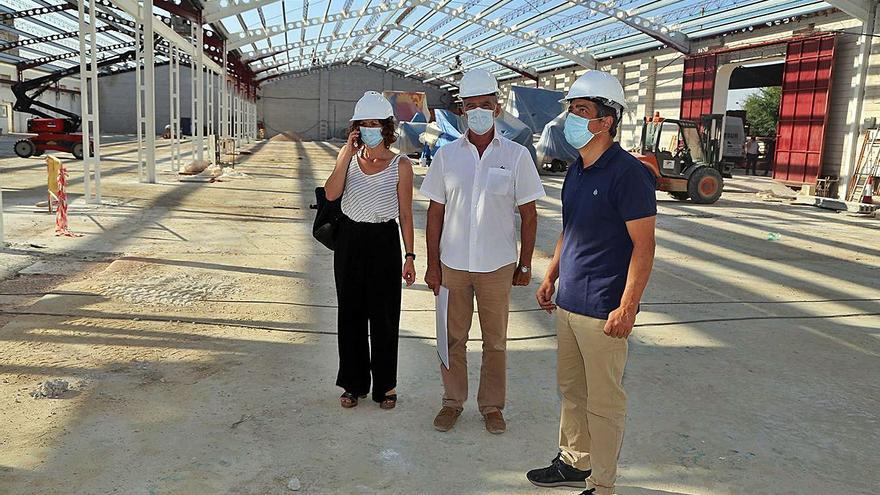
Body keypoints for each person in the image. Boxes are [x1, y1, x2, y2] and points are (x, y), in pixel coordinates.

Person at [525, 70, 657, 495]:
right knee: (571, 390)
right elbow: (571, 229)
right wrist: (551, 275)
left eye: (582, 110)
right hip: (569, 302)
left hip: (603, 308)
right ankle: (573, 462)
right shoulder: (577, 170)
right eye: (571, 109)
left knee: (603, 402)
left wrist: (627, 306)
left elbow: (644, 247)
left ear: (606, 121)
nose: (571, 118)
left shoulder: (629, 173)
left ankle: (602, 484)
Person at [420, 68, 545, 434]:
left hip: (497, 266)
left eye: (485, 105)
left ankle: (491, 406)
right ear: (462, 110)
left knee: (496, 341)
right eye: (471, 106)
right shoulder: (446, 157)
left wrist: (525, 264)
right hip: (453, 264)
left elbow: (529, 214)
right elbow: (435, 213)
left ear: (497, 107)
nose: (478, 112)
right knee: (452, 338)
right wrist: (432, 265)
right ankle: (452, 402)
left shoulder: (517, 156)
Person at [323, 91, 416, 410]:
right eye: (364, 124)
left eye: (375, 124)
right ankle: (353, 383)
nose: (369, 129)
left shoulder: (401, 164)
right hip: (350, 240)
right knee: (350, 314)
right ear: (356, 128)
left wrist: (410, 256)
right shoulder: (348, 159)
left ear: (386, 128)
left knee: (384, 316)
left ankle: (386, 385)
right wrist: (344, 156)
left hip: (383, 240)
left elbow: (406, 214)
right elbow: (331, 194)